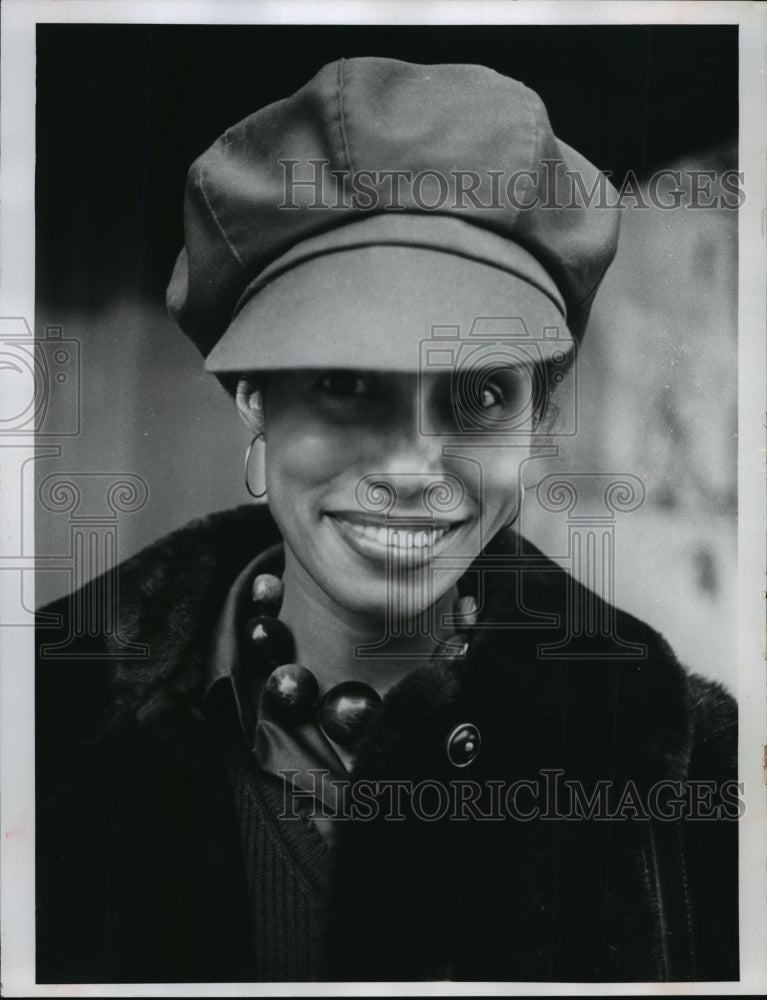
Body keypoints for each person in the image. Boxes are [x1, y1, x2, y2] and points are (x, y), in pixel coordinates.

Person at [36, 57, 738, 984]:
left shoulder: (682, 770)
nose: (411, 468)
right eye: (345, 384)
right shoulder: (42, 724)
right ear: (253, 397)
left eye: (481, 391)